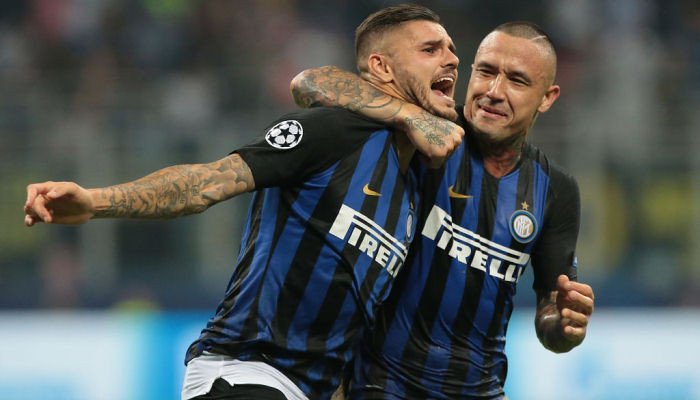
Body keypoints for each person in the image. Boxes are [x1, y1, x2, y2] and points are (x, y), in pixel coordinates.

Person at [23, 4, 463, 400]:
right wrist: (96, 201)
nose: (451, 59)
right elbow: (205, 182)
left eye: (450, 49)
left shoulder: (412, 188)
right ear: (381, 67)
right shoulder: (332, 134)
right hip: (248, 373)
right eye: (430, 49)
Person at [291, 21, 595, 399]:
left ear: (547, 98)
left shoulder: (555, 190)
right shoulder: (420, 134)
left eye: (516, 81)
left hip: (482, 390)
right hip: (380, 385)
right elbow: (309, 84)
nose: (493, 91)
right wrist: (407, 115)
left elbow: (550, 316)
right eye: (486, 72)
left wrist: (564, 324)